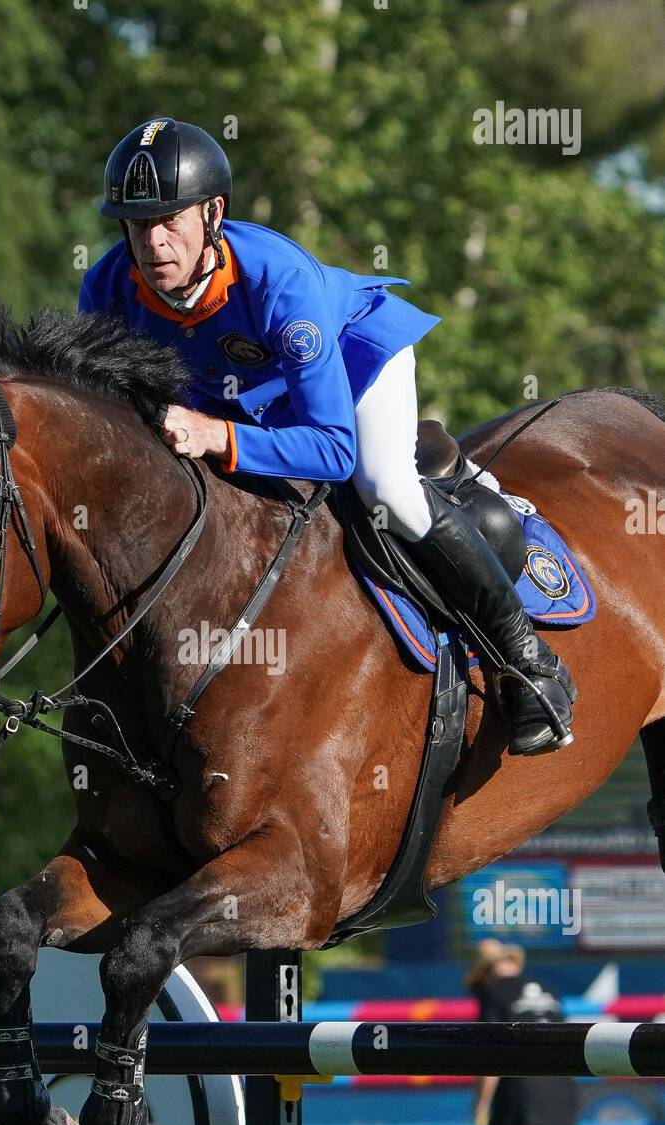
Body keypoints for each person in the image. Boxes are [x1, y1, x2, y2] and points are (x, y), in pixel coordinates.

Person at [78, 116, 577, 754]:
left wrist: (213, 434)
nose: (152, 241)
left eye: (171, 219)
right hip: (239, 389)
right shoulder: (106, 289)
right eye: (136, 222)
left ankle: (531, 664)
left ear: (213, 213)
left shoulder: (277, 280)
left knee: (383, 488)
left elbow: (334, 450)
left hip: (355, 359)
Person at [468, 940, 608, 1125]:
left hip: (521, 1108)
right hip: (563, 1102)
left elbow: (489, 1056)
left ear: (484, 974)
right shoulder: (549, 989)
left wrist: (480, 1107)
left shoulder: (492, 992)